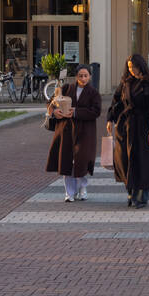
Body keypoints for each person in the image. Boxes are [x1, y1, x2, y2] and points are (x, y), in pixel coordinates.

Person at [106, 54, 149, 208]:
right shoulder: (126, 82)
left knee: (142, 162)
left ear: (141, 66)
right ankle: (131, 191)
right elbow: (116, 101)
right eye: (129, 67)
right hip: (126, 126)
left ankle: (142, 196)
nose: (131, 70)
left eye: (134, 67)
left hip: (143, 127)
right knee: (124, 160)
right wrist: (110, 119)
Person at [45, 65, 102, 202]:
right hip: (66, 130)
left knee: (81, 161)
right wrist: (54, 112)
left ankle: (82, 188)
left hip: (84, 132)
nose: (83, 78)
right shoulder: (66, 89)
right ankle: (69, 192)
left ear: (89, 76)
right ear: (76, 76)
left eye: (86, 75)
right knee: (66, 162)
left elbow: (96, 111)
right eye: (80, 75)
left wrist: (76, 112)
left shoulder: (93, 93)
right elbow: (51, 102)